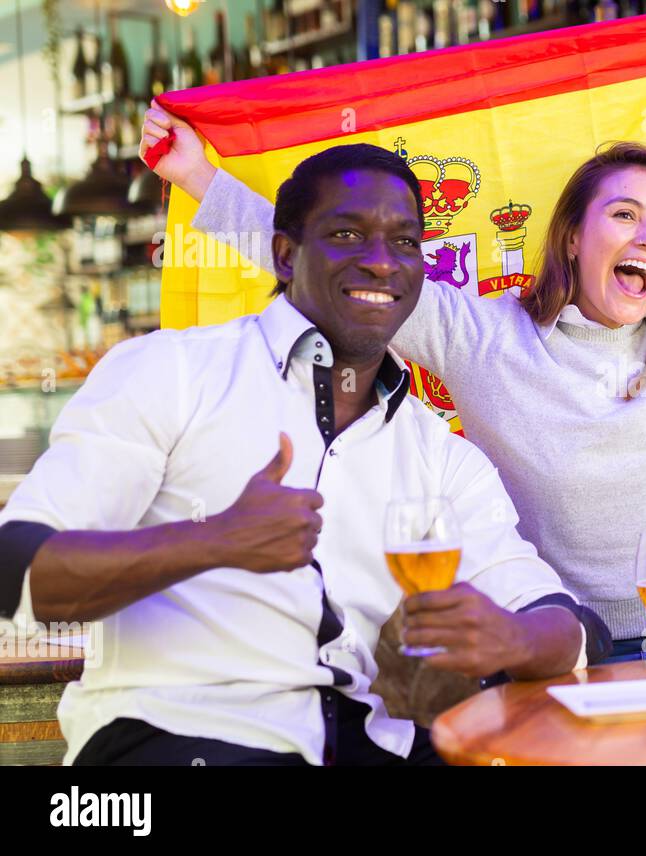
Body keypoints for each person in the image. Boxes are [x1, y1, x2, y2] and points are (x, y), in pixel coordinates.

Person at [136, 9, 646, 662]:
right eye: (626, 215)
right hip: (567, 653)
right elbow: (336, 267)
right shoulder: (486, 337)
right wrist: (197, 175)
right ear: (574, 237)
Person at [0, 144, 591, 766]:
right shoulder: (173, 372)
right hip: (178, 743)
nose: (382, 263)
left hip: (373, 745)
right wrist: (212, 541)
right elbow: (16, 571)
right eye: (347, 234)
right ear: (285, 254)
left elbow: (568, 626)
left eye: (405, 241)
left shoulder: (440, 455)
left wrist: (511, 636)